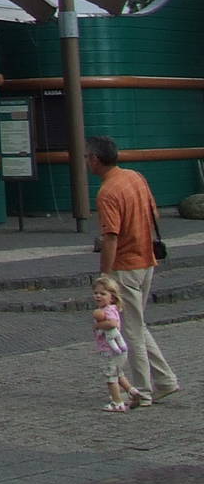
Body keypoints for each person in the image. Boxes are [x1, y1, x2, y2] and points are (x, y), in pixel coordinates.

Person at [88, 134, 180, 406]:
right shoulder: (135, 177)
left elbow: (111, 237)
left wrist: (104, 276)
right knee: (137, 325)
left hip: (125, 267)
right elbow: (155, 214)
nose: (85, 162)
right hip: (147, 259)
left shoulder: (107, 192)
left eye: (86, 157)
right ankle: (164, 380)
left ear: (95, 159)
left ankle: (144, 390)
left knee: (133, 331)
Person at [91, 274, 135, 413]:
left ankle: (117, 402)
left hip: (111, 350)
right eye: (96, 293)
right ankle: (132, 391)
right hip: (114, 349)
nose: (98, 296)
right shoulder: (110, 309)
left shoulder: (109, 310)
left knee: (111, 377)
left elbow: (113, 324)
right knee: (119, 373)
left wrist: (98, 325)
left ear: (112, 296)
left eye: (102, 293)